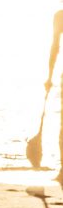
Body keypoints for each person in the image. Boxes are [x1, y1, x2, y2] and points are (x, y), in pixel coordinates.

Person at [44, 10, 63, 183]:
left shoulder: (59, 16)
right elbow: (55, 47)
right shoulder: (59, 16)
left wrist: (50, 76)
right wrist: (49, 76)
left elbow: (55, 47)